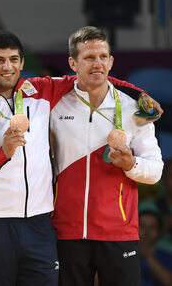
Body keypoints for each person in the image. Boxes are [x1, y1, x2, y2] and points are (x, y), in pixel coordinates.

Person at [0, 30, 150, 286]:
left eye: (14, 59)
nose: (8, 67)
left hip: (40, 224)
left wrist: (140, 93)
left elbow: (92, 75)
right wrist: (2, 153)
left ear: (22, 63)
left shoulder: (42, 90)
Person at [50, 26, 164, 286]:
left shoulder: (135, 108)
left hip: (118, 231)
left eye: (103, 56)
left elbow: (155, 171)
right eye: (89, 57)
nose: (97, 63)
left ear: (111, 61)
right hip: (67, 230)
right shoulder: (56, 105)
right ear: (73, 63)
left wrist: (131, 164)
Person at [138, 202, 172, 286]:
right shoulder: (125, 254)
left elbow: (169, 281)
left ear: (159, 231)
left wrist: (148, 256)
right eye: (142, 226)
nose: (147, 231)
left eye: (152, 227)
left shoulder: (167, 256)